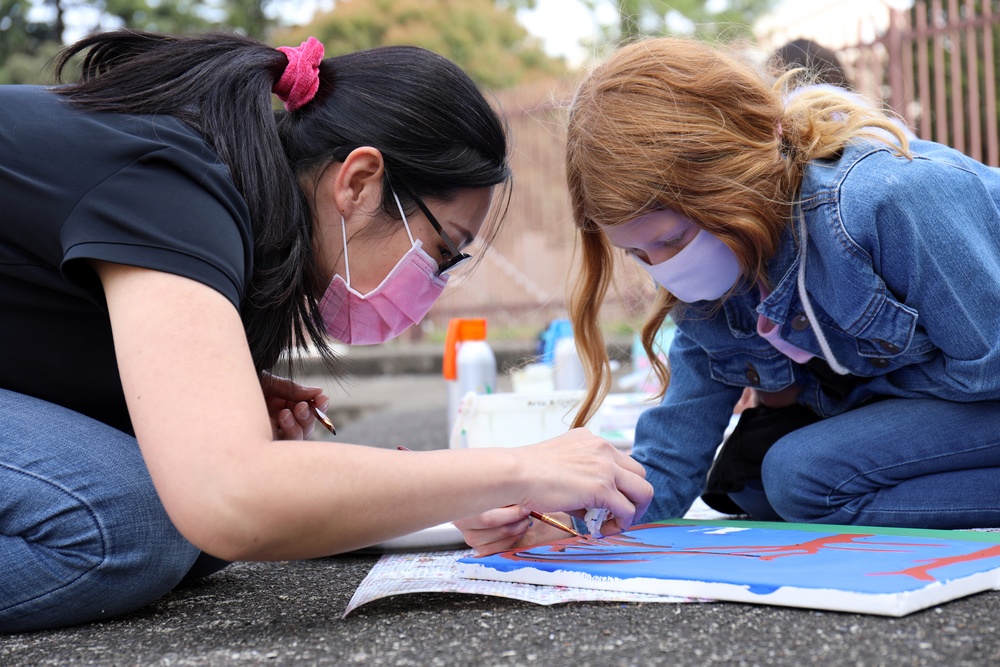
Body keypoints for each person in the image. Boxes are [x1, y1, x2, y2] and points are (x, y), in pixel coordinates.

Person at [0, 30, 652, 633]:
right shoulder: (179, 184)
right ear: (360, 182)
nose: (436, 282)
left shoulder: (231, 214)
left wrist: (433, 500)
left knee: (187, 530)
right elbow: (229, 496)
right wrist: (517, 469)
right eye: (442, 249)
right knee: (134, 523)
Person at [457, 36, 1000, 554]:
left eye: (671, 240)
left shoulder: (886, 199)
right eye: (639, 255)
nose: (665, 270)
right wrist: (559, 518)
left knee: (801, 476)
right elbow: (667, 468)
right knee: (748, 479)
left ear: (730, 180)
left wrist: (824, 399)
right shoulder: (713, 292)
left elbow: (986, 372)